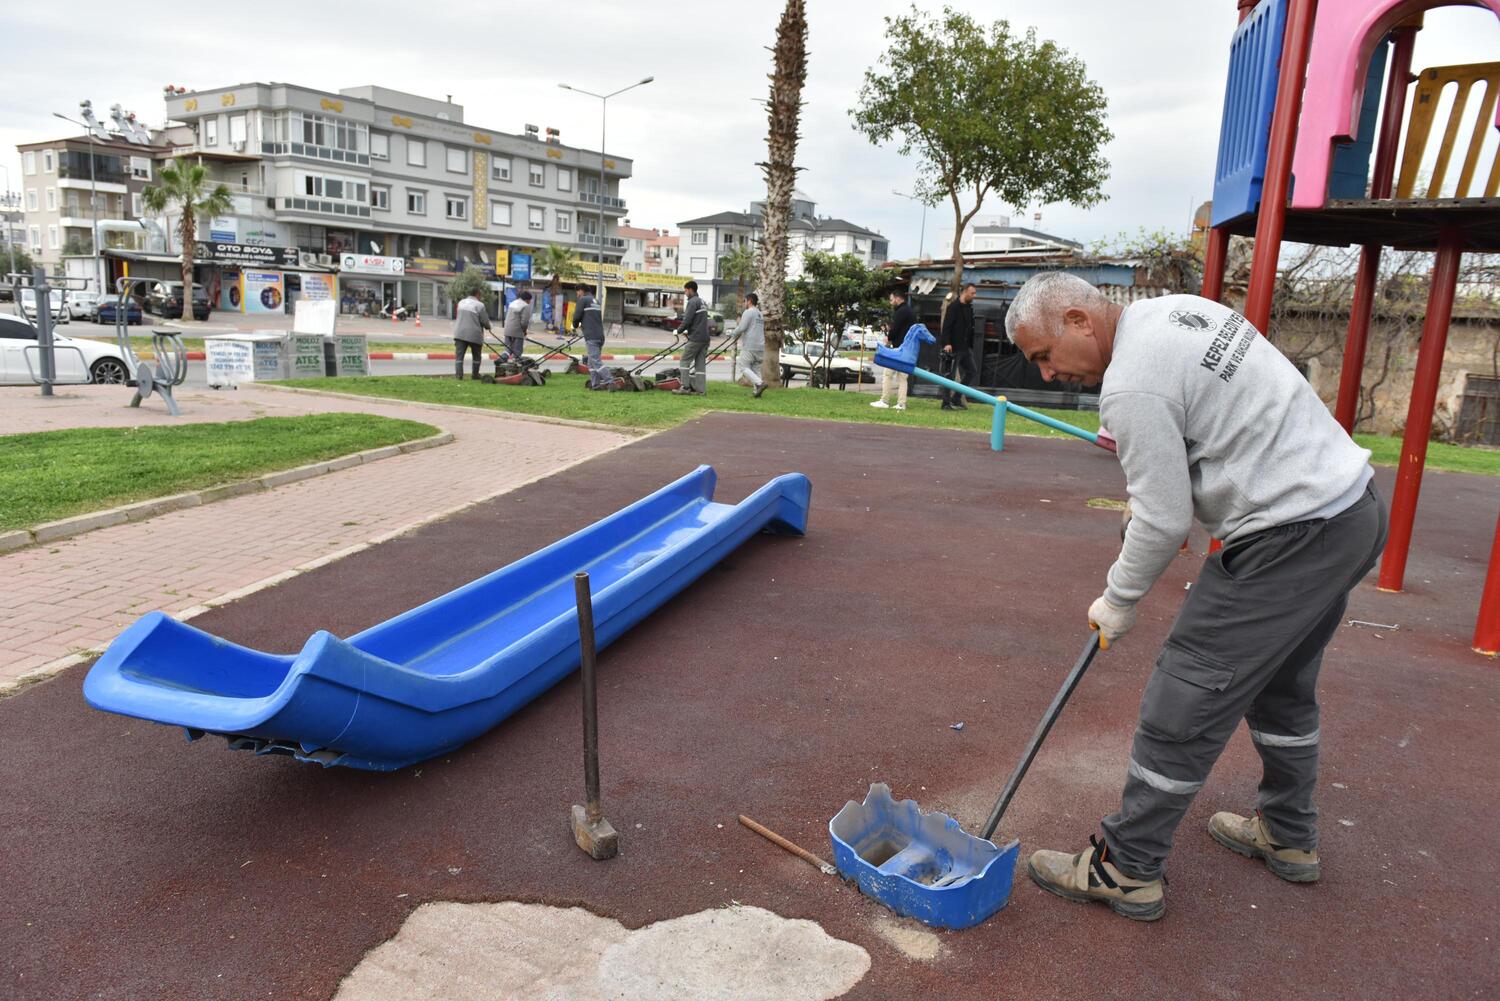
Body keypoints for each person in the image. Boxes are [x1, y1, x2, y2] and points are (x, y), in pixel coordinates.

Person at [1005, 272, 1386, 922]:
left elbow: (1164, 519)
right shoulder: (1178, 314)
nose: (1045, 375)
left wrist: (1118, 599)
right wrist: (1158, 503)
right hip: (1350, 508)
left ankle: (1126, 866)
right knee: (1282, 685)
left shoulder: (1129, 384)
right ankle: (1289, 834)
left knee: (1183, 691)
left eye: (1043, 355)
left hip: (1288, 532)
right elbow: (1211, 429)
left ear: (1078, 320)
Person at [870, 288, 916, 410]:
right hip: (906, 350)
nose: (890, 303)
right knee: (902, 377)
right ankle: (901, 403)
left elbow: (895, 330)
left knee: (887, 374)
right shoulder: (909, 311)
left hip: (897, 350)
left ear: (898, 298)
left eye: (891, 300)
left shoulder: (901, 312)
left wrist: (889, 337)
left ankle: (884, 400)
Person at [938, 283, 978, 410]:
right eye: (972, 293)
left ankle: (956, 398)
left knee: (972, 371)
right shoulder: (953, 307)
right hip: (953, 347)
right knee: (949, 375)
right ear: (965, 292)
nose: (974, 296)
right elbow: (946, 327)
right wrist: (947, 343)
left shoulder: (969, 308)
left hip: (965, 348)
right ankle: (945, 403)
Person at [673, 280, 710, 396]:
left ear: (690, 289)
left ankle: (685, 387)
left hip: (696, 339)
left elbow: (687, 320)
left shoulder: (692, 302)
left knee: (684, 361)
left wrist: (678, 331)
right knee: (700, 365)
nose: (685, 293)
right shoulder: (702, 302)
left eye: (685, 290)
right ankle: (700, 390)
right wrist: (688, 331)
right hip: (705, 338)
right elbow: (698, 321)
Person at [572, 285, 612, 390]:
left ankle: (610, 381)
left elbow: (577, 316)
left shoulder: (583, 300)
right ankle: (596, 385)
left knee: (596, 361)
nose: (577, 294)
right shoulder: (596, 301)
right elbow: (591, 317)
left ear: (581, 291)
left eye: (577, 292)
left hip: (591, 336)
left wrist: (575, 325)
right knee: (591, 363)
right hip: (600, 335)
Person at [731, 292, 766, 399]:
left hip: (750, 345)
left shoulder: (748, 312)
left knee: (743, 366)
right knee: (756, 369)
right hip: (760, 345)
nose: (744, 303)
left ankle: (760, 383)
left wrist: (733, 334)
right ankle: (757, 392)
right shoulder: (760, 314)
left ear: (749, 301)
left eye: (745, 301)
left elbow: (742, 327)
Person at [452, 287, 491, 380]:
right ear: (477, 294)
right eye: (480, 295)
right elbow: (484, 321)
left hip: (459, 333)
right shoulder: (480, 305)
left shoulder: (461, 302)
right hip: (474, 334)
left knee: (459, 356)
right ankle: (475, 375)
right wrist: (488, 327)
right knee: (476, 355)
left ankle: (459, 375)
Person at [503, 290, 533, 362]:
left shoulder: (513, 303)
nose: (530, 302)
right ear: (527, 299)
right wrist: (524, 331)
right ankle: (514, 369)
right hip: (517, 332)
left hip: (507, 330)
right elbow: (525, 322)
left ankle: (501, 361)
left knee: (507, 350)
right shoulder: (525, 306)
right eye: (530, 300)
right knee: (517, 352)